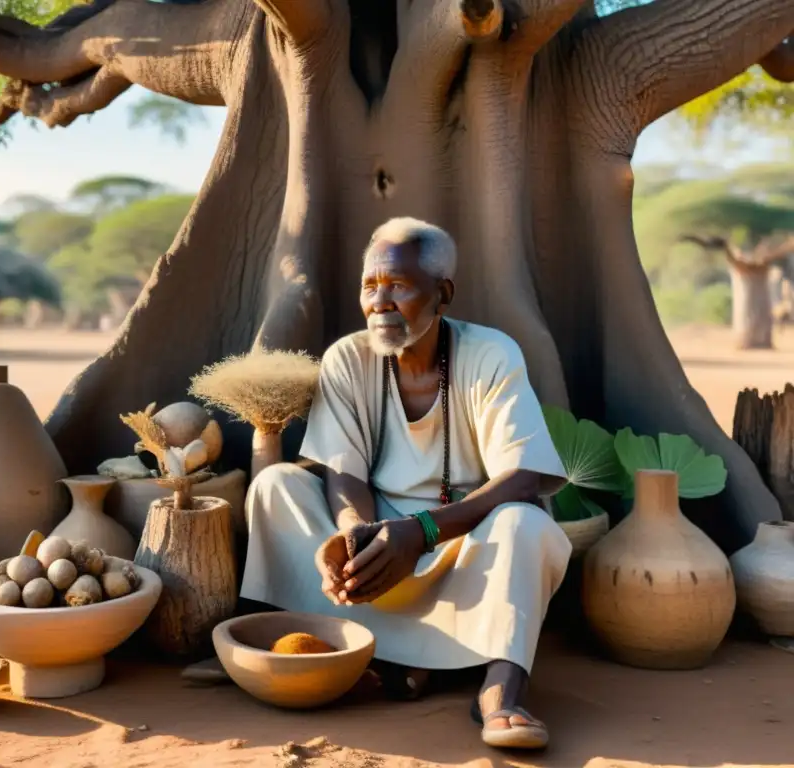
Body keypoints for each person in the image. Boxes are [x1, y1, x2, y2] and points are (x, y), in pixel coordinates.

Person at [240, 216, 572, 750]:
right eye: (369, 287)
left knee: (524, 526)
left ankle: (500, 689)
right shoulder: (347, 358)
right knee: (278, 486)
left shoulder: (491, 353)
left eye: (398, 285)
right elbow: (342, 472)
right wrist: (355, 536)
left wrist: (419, 532)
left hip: (466, 542)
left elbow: (524, 476)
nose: (380, 302)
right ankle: (303, 647)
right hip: (382, 544)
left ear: (442, 293)